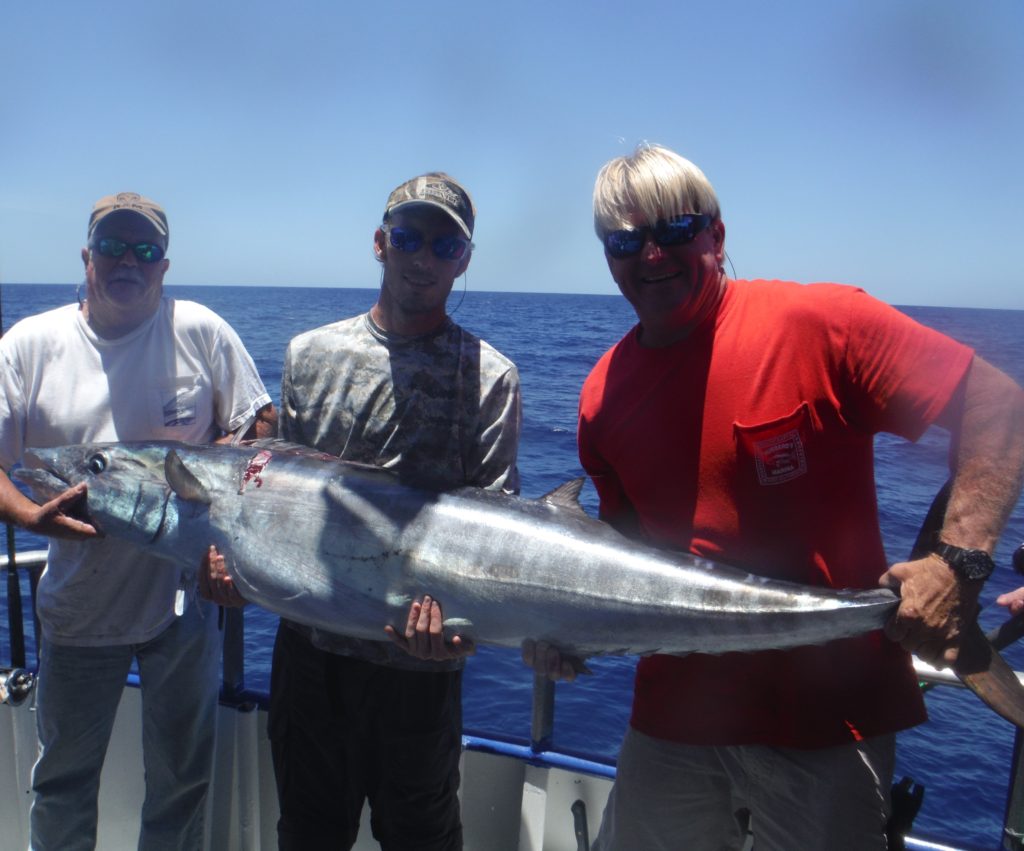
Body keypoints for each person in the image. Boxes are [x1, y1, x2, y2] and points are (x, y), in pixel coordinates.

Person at [523, 144, 1024, 850]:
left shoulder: (821, 323)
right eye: (627, 240)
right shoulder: (602, 395)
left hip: (826, 725)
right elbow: (623, 557)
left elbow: (998, 408)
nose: (653, 254)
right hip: (671, 724)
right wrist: (567, 629)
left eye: (674, 230)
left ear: (716, 235)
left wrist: (957, 562)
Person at [0, 191, 276, 850]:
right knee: (64, 779)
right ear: (87, 256)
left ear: (165, 263)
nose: (130, 259)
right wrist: (36, 518)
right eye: (114, 245)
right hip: (79, 605)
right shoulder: (31, 344)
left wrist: (225, 534)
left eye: (145, 249)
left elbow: (260, 423)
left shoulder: (201, 330)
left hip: (184, 604)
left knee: (181, 778)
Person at [269, 172, 521, 850]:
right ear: (380, 243)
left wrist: (463, 630)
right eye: (408, 237)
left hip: (421, 672)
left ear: (464, 259)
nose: (423, 257)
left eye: (444, 245)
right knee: (308, 837)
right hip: (312, 659)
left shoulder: (490, 375)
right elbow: (278, 501)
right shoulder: (308, 355)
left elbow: (496, 538)